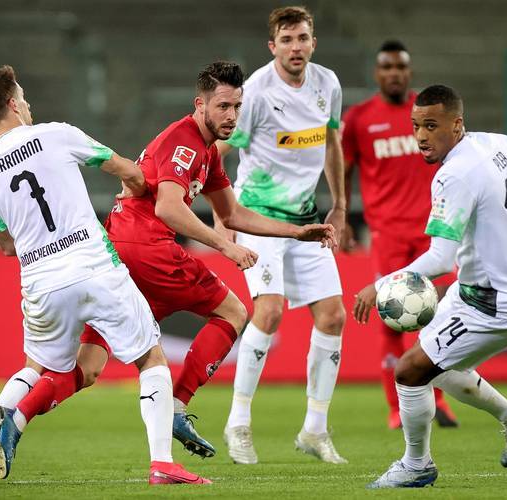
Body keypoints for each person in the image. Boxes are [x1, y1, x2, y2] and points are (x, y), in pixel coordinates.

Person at [0, 65, 209, 485]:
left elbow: (6, 246)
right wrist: (138, 188)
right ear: (13, 104)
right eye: (24, 97)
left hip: (41, 282)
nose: (29, 104)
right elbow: (128, 171)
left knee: (37, 367)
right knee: (150, 357)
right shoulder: (56, 134)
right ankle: (163, 463)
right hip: (94, 266)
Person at [77, 60, 336, 458]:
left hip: (116, 252)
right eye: (223, 106)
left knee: (87, 367)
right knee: (233, 312)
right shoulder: (184, 142)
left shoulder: (209, 152)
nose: (232, 115)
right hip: (149, 250)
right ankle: (178, 407)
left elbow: (233, 214)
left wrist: (297, 231)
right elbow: (168, 207)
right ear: (200, 105)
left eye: (237, 106)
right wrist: (225, 247)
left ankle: (12, 413)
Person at [353, 84, 507, 488]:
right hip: (487, 288)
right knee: (435, 365)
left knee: (410, 371)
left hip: (498, 301)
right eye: (416, 126)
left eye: (431, 126)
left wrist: (379, 285)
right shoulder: (498, 143)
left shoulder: (454, 175)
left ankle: (416, 465)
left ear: (456, 124)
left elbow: (439, 258)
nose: (420, 136)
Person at [216, 6, 347, 464]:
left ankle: (315, 430)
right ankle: (237, 424)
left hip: (306, 223)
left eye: (303, 38)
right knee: (269, 313)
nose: (296, 47)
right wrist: (223, 217)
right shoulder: (255, 92)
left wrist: (340, 205)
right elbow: (219, 147)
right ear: (273, 46)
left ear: (313, 42)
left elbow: (332, 142)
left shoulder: (327, 84)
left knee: (333, 317)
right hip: (259, 219)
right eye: (287, 39)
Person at [341, 40, 458, 430]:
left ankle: (439, 400)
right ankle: (397, 408)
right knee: (392, 320)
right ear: (377, 73)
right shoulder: (360, 119)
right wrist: (343, 217)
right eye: (387, 67)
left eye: (401, 67)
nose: (394, 73)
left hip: (433, 232)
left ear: (409, 72)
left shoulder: (428, 115)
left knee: (440, 316)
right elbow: (343, 168)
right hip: (388, 234)